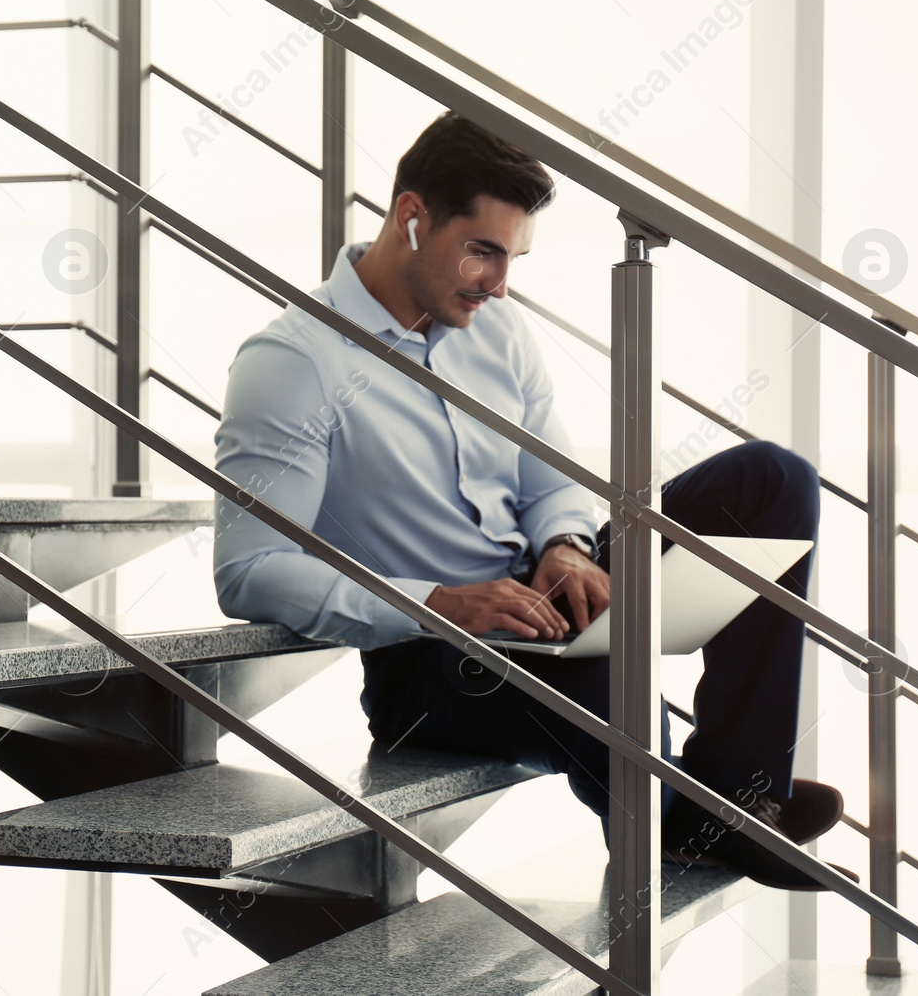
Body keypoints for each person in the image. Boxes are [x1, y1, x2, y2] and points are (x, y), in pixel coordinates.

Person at [211, 110, 856, 891]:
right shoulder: (294, 362)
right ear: (411, 219)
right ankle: (694, 814)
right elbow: (250, 570)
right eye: (481, 251)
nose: (499, 282)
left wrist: (565, 548)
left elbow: (550, 482)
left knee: (772, 482)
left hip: (537, 600)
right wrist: (440, 602)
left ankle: (736, 791)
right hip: (431, 664)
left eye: (511, 257)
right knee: (597, 685)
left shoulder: (499, 331)